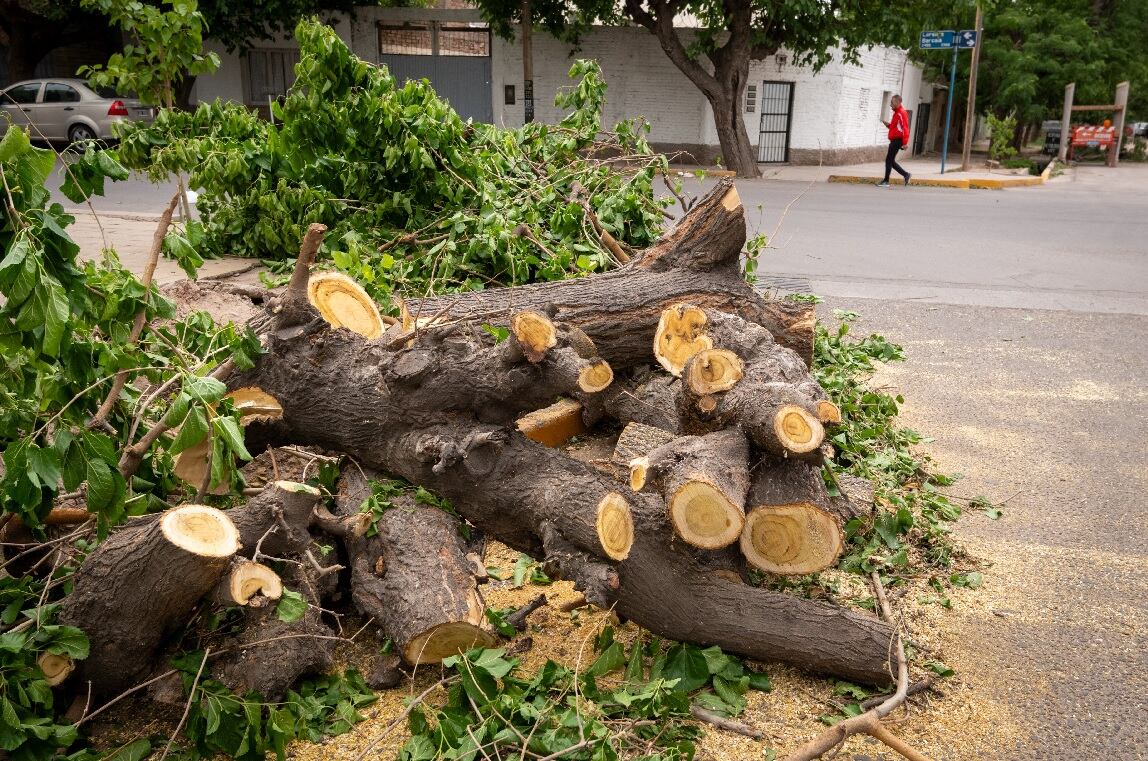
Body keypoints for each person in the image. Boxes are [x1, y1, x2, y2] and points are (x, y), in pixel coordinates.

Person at [877, 95, 911, 187]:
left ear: (898, 102)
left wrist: (905, 143)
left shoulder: (901, 113)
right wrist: (888, 125)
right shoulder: (896, 113)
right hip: (895, 140)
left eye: (892, 102)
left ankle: (886, 181)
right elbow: (896, 128)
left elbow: (905, 129)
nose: (890, 104)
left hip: (897, 140)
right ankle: (906, 174)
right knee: (891, 161)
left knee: (889, 160)